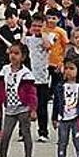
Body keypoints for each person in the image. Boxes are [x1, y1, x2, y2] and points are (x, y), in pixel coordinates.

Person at [0, 43, 38, 157]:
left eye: (16, 53)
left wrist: (33, 108)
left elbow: (31, 93)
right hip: (9, 108)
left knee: (26, 134)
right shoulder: (4, 70)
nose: (12, 56)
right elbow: (0, 90)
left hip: (23, 108)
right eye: (11, 53)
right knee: (5, 134)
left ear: (23, 57)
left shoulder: (26, 73)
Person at [51, 59, 79, 157]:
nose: (68, 71)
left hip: (77, 117)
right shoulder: (60, 86)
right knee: (62, 141)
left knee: (77, 141)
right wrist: (54, 117)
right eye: (66, 68)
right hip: (63, 117)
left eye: (72, 69)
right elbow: (56, 102)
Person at [22, 13, 52, 142]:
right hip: (27, 77)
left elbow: (48, 46)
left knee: (42, 106)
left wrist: (43, 33)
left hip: (42, 77)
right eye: (34, 25)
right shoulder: (27, 39)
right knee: (24, 105)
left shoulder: (48, 37)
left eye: (40, 26)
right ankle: (23, 132)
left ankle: (43, 131)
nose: (36, 28)